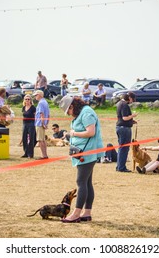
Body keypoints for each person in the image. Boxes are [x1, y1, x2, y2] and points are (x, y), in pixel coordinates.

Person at [59, 95, 104, 223]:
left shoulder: (86, 112)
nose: (68, 114)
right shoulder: (83, 112)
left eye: (68, 111)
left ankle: (76, 214)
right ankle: (86, 213)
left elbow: (91, 132)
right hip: (83, 152)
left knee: (80, 182)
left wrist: (73, 133)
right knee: (87, 183)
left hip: (87, 152)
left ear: (72, 106)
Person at [116, 92, 138, 172]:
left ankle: (119, 166)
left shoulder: (119, 103)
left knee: (121, 148)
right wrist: (133, 116)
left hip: (120, 127)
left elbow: (121, 118)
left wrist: (132, 121)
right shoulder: (125, 105)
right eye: (132, 99)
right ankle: (121, 167)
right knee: (124, 148)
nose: (132, 101)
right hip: (124, 129)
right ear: (129, 98)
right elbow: (125, 118)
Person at [33, 90, 50, 159]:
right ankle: (45, 154)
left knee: (40, 140)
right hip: (43, 123)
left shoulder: (40, 103)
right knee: (43, 139)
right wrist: (46, 123)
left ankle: (44, 155)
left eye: (36, 95)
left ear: (40, 95)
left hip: (39, 123)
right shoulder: (45, 102)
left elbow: (41, 114)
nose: (35, 97)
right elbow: (48, 115)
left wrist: (43, 123)